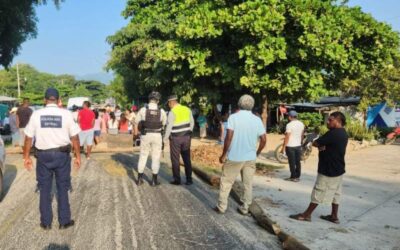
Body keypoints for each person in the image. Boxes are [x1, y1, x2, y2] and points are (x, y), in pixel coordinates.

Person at [23, 88, 81, 230]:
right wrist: (78, 156)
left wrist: (26, 157)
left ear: (45, 100)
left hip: (43, 156)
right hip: (62, 156)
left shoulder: (37, 115)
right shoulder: (66, 114)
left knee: (44, 189)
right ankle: (64, 221)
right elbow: (75, 137)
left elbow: (28, 138)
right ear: (58, 100)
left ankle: (46, 223)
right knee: (62, 188)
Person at [289, 111, 348, 224]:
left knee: (319, 191)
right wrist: (323, 146)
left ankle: (306, 215)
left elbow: (315, 143)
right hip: (338, 168)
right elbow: (322, 144)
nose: (328, 121)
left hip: (328, 169)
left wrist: (321, 145)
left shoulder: (333, 133)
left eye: (331, 120)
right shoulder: (343, 132)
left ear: (338, 121)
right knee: (336, 193)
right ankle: (334, 216)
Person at [214, 94, 267, 215]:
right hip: (250, 158)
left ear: (239, 104)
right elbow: (264, 139)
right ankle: (245, 208)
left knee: (226, 182)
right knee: (248, 184)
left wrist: (224, 154)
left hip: (235, 157)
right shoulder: (257, 119)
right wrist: (257, 152)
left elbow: (228, 137)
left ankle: (222, 207)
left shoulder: (234, 118)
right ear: (252, 105)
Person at [134, 91, 167, 186]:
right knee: (156, 157)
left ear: (149, 99)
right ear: (158, 100)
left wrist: (137, 133)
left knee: (143, 156)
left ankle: (139, 179)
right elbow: (164, 124)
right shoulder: (162, 111)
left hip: (145, 135)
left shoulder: (143, 110)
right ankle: (154, 181)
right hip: (157, 136)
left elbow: (136, 122)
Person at [163, 94, 194, 185]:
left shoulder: (172, 112)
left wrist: (164, 139)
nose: (168, 105)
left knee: (175, 159)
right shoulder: (187, 109)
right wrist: (189, 132)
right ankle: (189, 179)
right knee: (187, 158)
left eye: (168, 103)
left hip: (176, 139)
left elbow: (169, 127)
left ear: (171, 102)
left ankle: (177, 179)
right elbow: (192, 123)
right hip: (186, 137)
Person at [281, 110, 305, 182]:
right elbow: (302, 135)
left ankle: (293, 177)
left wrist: (283, 147)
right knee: (298, 161)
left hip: (290, 146)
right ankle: (297, 176)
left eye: (288, 116)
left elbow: (287, 136)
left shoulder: (289, 125)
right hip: (298, 145)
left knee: (292, 162)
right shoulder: (301, 124)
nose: (288, 117)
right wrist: (300, 142)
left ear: (290, 117)